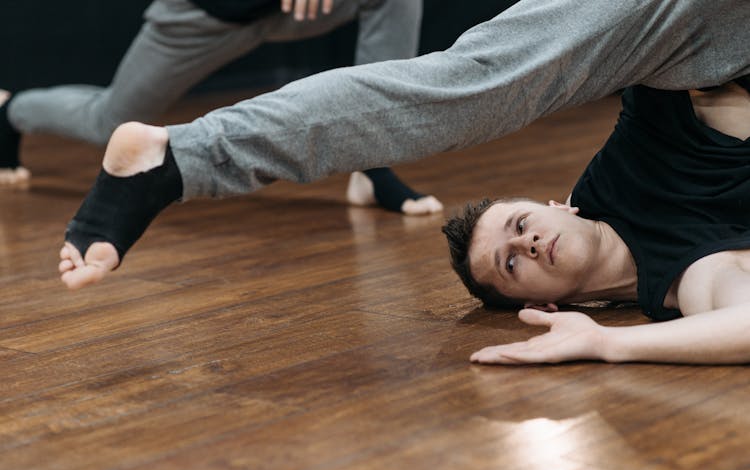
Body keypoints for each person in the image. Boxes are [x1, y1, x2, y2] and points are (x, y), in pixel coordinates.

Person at [56, 0, 749, 303]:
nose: (533, 241)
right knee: (474, 83)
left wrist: (610, 343)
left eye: (514, 233)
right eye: (514, 254)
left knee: (475, 83)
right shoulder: (670, 259)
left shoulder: (644, 246)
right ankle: (170, 160)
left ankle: (177, 162)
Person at [0, 0, 442, 214]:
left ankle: (373, 166)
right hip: (203, 16)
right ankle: (11, 111)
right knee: (109, 121)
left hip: (289, 9)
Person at [443, 78, 750, 365]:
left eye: (521, 224)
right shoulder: (687, 274)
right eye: (510, 263)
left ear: (559, 207)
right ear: (539, 305)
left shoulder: (626, 154)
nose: (528, 243)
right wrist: (603, 341)